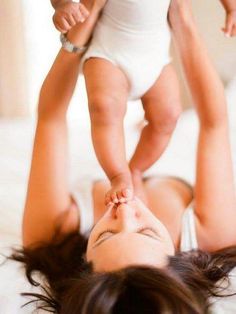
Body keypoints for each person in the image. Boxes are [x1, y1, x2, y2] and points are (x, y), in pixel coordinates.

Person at [11, 0, 236, 313]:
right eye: (146, 231)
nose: (125, 211)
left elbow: (50, 117)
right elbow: (213, 123)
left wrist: (83, 25)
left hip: (109, 87)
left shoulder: (52, 235)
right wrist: (183, 19)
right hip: (156, 123)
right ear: (178, 258)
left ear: (83, 263)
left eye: (104, 235)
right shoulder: (213, 234)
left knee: (107, 106)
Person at [49, 0, 236, 207]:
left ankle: (136, 169)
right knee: (104, 107)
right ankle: (118, 175)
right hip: (108, 53)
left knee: (169, 114)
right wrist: (62, 5)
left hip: (155, 59)